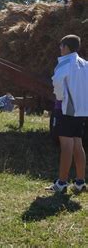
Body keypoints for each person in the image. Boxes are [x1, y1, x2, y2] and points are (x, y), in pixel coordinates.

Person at [46, 35, 87, 193]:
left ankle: (61, 183)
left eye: (61, 46)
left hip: (65, 110)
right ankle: (80, 182)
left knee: (66, 146)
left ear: (66, 47)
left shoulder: (64, 64)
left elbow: (57, 84)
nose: (59, 49)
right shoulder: (85, 65)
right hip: (81, 111)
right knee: (78, 144)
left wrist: (60, 97)